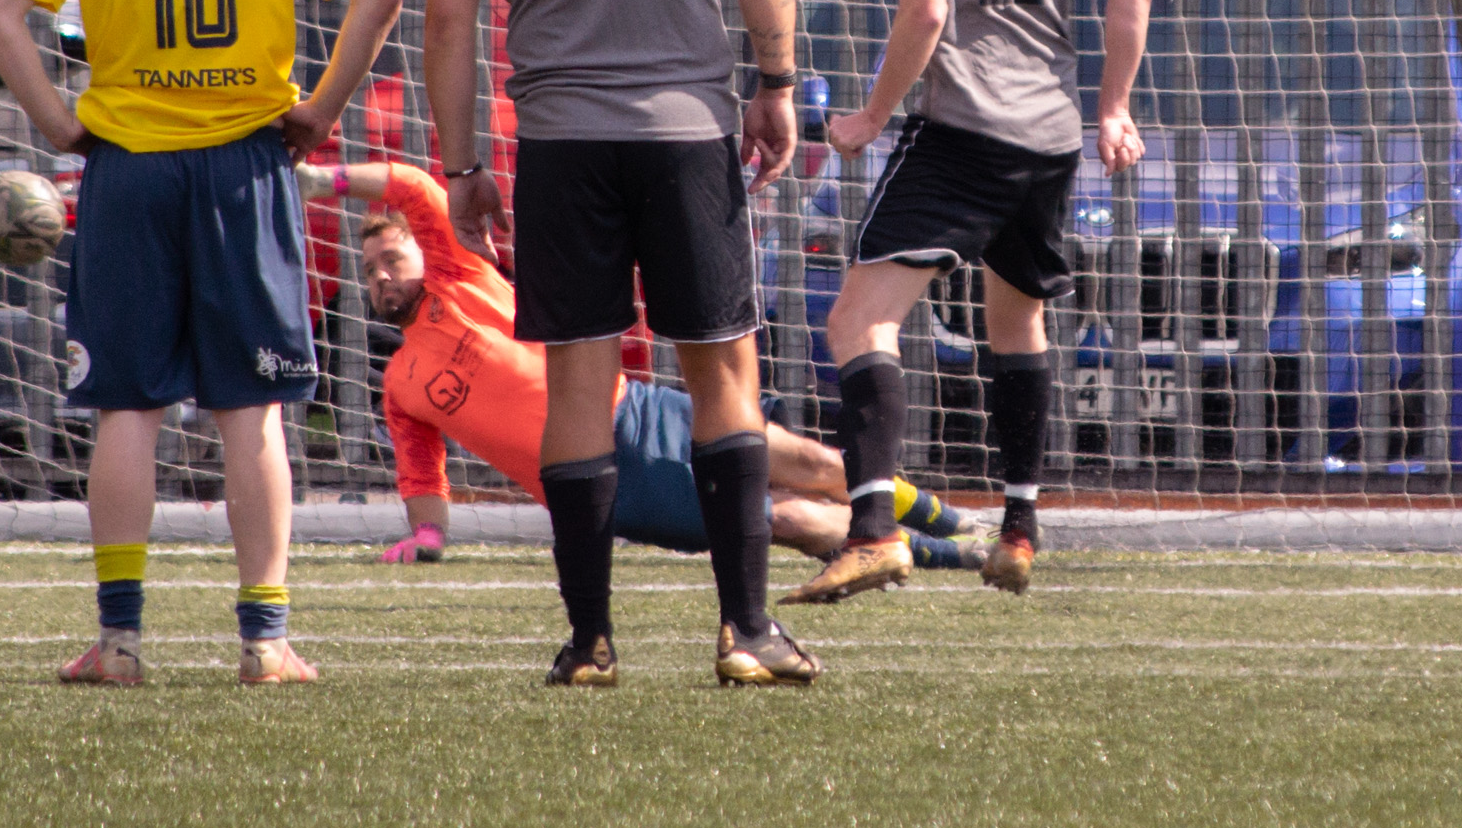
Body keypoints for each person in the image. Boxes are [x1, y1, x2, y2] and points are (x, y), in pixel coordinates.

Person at [0, 0, 402, 687]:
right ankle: (265, 640)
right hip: (246, 164)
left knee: (129, 404)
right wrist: (322, 107)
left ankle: (119, 640)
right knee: (250, 409)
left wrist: (56, 122)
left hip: (127, 170)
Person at [419, 0, 814, 687]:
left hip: (559, 144)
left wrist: (460, 167)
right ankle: (746, 632)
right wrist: (774, 86)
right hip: (685, 128)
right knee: (725, 374)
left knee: (578, 389)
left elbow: (448, 19)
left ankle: (589, 641)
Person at [791, 0, 1151, 605]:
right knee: (1017, 316)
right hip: (1050, 136)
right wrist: (1112, 110)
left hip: (963, 130)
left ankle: (873, 532)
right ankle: (1021, 531)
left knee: (858, 321)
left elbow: (929, 8)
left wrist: (870, 117)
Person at [319, 160, 990, 567]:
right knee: (780, 517)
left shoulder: (458, 274)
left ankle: (957, 522)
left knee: (807, 461)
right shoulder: (400, 384)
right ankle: (957, 558)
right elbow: (420, 472)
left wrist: (329, 180)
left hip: (634, 409)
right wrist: (430, 534)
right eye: (371, 269)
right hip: (600, 483)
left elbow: (410, 186)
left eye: (392, 260)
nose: (381, 277)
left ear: (421, 257)